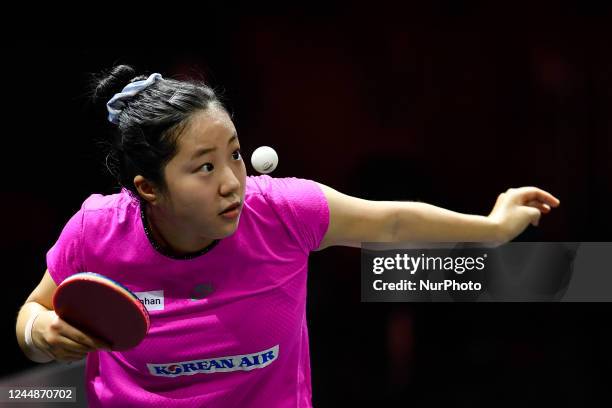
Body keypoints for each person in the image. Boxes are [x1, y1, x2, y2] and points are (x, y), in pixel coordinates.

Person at [15, 65, 560, 407]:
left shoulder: (278, 211)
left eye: (234, 154)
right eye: (204, 168)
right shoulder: (97, 229)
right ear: (149, 188)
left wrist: (490, 228)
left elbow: (388, 220)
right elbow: (32, 315)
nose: (233, 182)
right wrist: (42, 332)